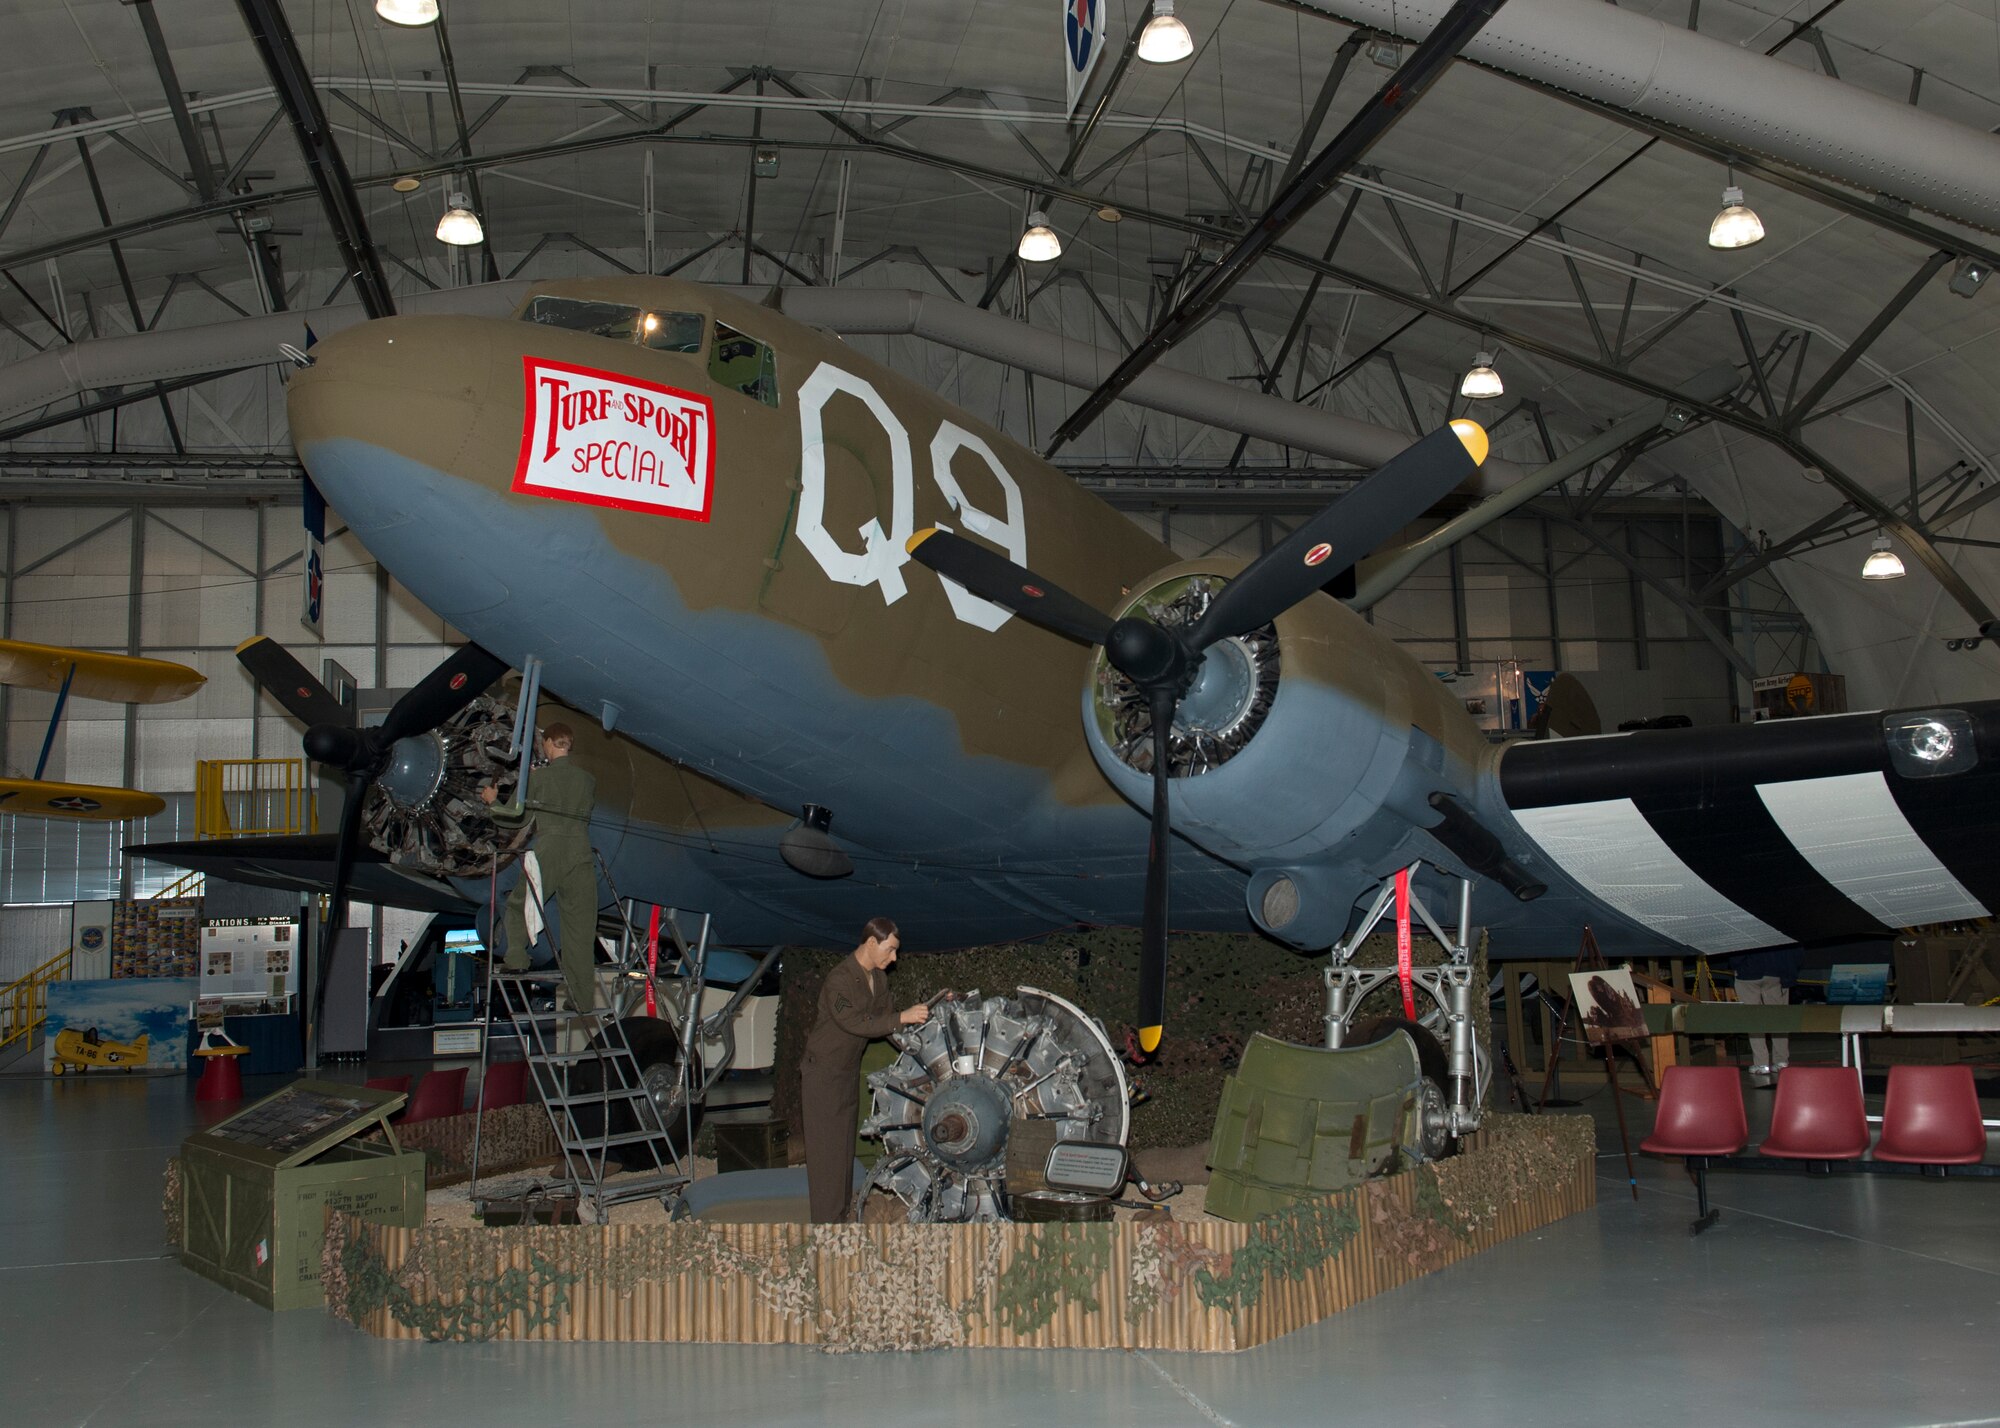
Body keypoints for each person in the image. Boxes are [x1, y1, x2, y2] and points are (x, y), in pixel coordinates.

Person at [800, 917, 929, 1223]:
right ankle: (826, 1225)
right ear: (871, 942)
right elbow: (856, 1022)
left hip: (844, 1072)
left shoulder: (878, 979)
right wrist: (902, 1017)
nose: (894, 957)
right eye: (891, 950)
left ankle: (843, 1216)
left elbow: (888, 1024)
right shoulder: (840, 979)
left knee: (844, 1152)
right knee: (825, 1155)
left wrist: (920, 1043)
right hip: (822, 1074)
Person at [482, 723, 599, 1015]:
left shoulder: (540, 778)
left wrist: (492, 801)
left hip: (550, 851)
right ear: (568, 744)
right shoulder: (587, 780)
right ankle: (582, 999)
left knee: (520, 903)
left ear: (548, 743)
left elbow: (515, 819)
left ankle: (517, 958)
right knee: (580, 931)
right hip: (581, 855)